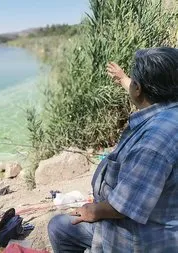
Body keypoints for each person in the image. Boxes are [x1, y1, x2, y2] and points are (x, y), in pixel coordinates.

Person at [48, 47, 178, 252]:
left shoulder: (153, 144)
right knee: (60, 227)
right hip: (160, 219)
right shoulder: (171, 109)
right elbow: (144, 92)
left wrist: (93, 211)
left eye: (133, 82)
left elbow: (124, 207)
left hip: (139, 239)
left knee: (59, 228)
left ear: (139, 89)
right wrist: (123, 78)